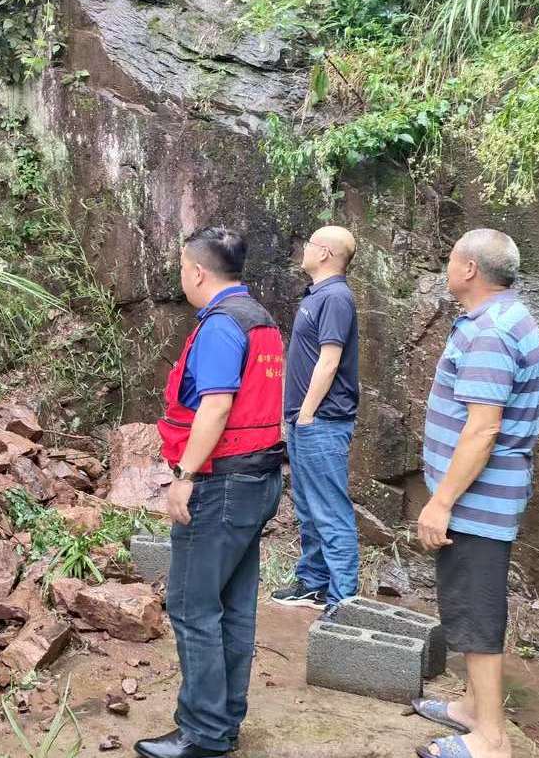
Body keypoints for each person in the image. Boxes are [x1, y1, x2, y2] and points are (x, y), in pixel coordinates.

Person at [135, 227, 286, 758]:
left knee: (192, 605)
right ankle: (224, 722)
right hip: (257, 478)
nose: (182, 277)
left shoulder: (222, 326)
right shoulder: (260, 319)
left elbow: (217, 407)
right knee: (234, 605)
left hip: (222, 483)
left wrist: (186, 476)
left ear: (198, 272)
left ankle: (201, 732)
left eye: (182, 268)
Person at [411, 229, 539, 758]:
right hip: (483, 497)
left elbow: (483, 428)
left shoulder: (491, 331)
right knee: (467, 602)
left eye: (450, 259)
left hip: (476, 501)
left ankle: (491, 738)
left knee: (476, 611)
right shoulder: (506, 316)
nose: (446, 267)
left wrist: (441, 501)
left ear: (468, 269)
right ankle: (471, 707)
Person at [272, 225, 360, 615]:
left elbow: (329, 360)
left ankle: (342, 601)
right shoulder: (318, 295)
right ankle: (313, 583)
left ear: (324, 253)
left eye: (309, 244)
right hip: (305, 420)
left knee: (329, 511)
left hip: (322, 421)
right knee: (308, 509)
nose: (303, 249)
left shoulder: (336, 297)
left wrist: (307, 413)